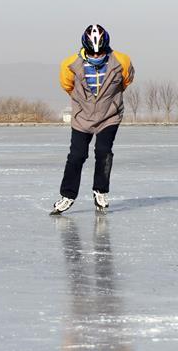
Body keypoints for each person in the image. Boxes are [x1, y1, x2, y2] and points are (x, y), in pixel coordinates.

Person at [51, 24, 134, 215]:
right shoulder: (69, 64)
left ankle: (101, 191)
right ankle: (68, 196)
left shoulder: (122, 61)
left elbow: (126, 81)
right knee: (76, 156)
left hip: (109, 116)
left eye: (100, 53)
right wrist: (86, 103)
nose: (96, 56)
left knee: (104, 151)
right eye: (92, 53)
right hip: (82, 116)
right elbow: (67, 86)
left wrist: (109, 103)